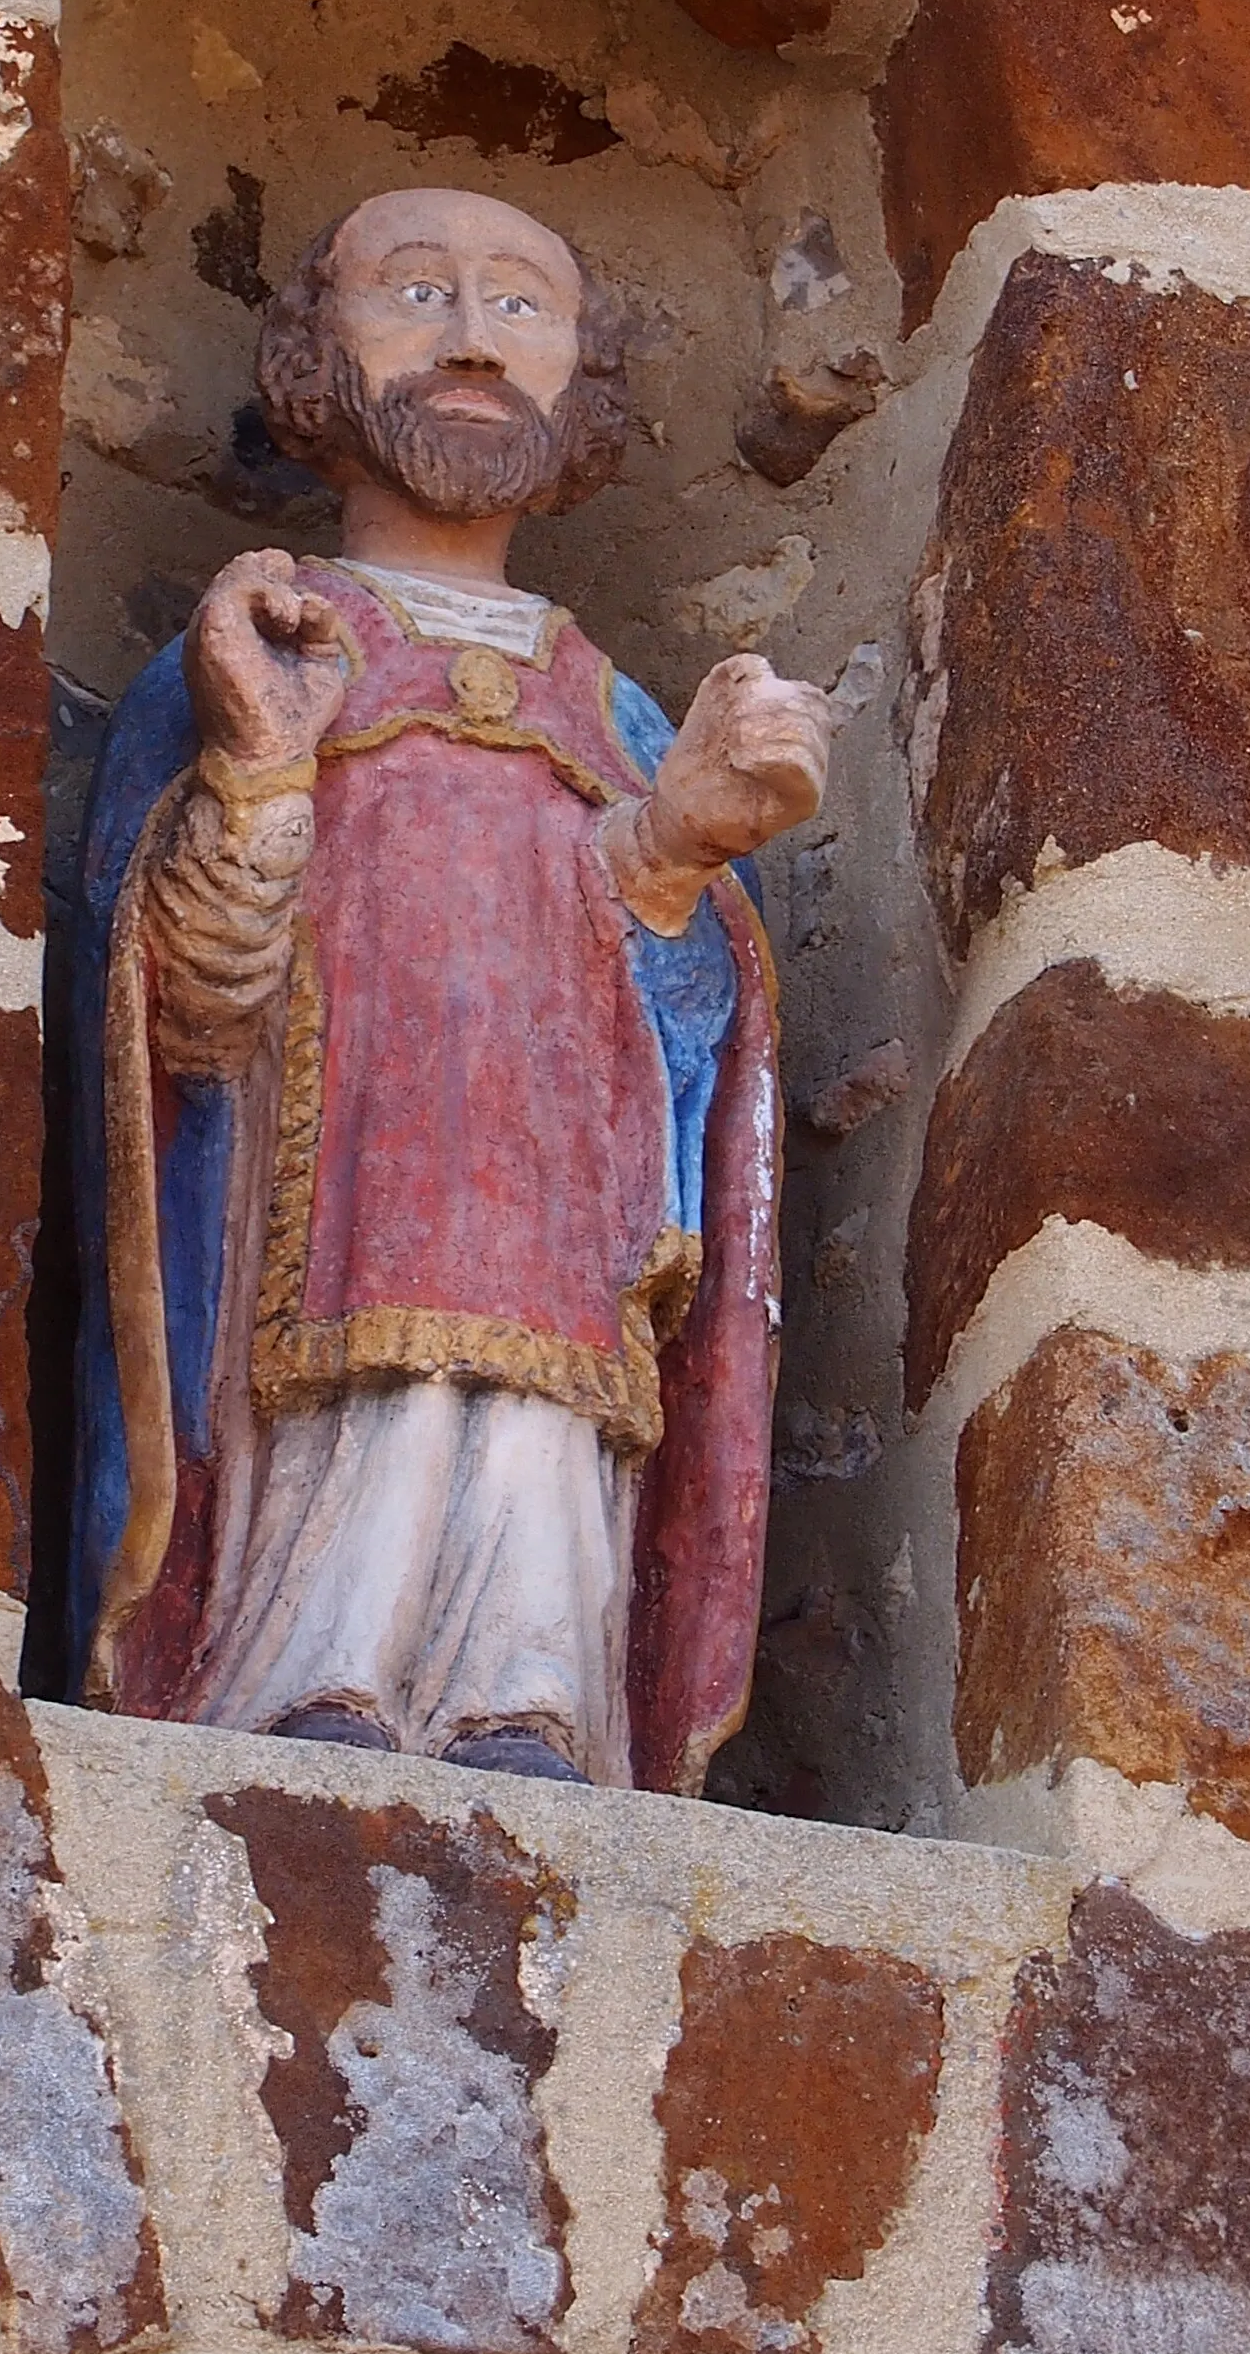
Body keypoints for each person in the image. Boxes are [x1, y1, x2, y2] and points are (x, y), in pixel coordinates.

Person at [68, 186, 831, 1790]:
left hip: (563, 1201)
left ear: (582, 383)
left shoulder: (614, 709)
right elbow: (178, 1016)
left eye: (520, 305)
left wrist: (677, 852)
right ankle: (303, 1669)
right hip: (328, 1177)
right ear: (315, 357)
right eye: (415, 293)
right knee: (364, 1416)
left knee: (537, 1443)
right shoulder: (264, 637)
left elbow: (696, 1052)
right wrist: (266, 780)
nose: (474, 338)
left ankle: (530, 1694)